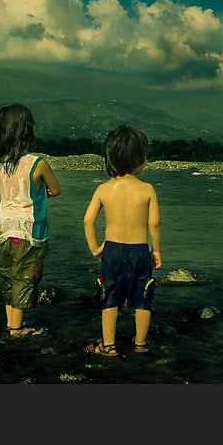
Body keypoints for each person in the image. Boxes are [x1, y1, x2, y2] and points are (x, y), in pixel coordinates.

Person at [83, 124, 162, 356]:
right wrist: (155, 250)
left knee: (109, 298)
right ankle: (140, 344)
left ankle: (108, 346)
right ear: (140, 159)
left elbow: (88, 220)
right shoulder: (147, 189)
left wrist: (95, 248)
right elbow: (155, 223)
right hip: (139, 250)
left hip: (112, 250)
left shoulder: (104, 189)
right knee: (143, 298)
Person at [0, 103, 61, 337]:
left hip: (4, 228)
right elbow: (56, 189)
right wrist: (43, 191)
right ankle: (17, 329)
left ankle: (11, 323)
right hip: (29, 230)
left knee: (9, 275)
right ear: (29, 130)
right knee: (24, 276)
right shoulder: (37, 163)